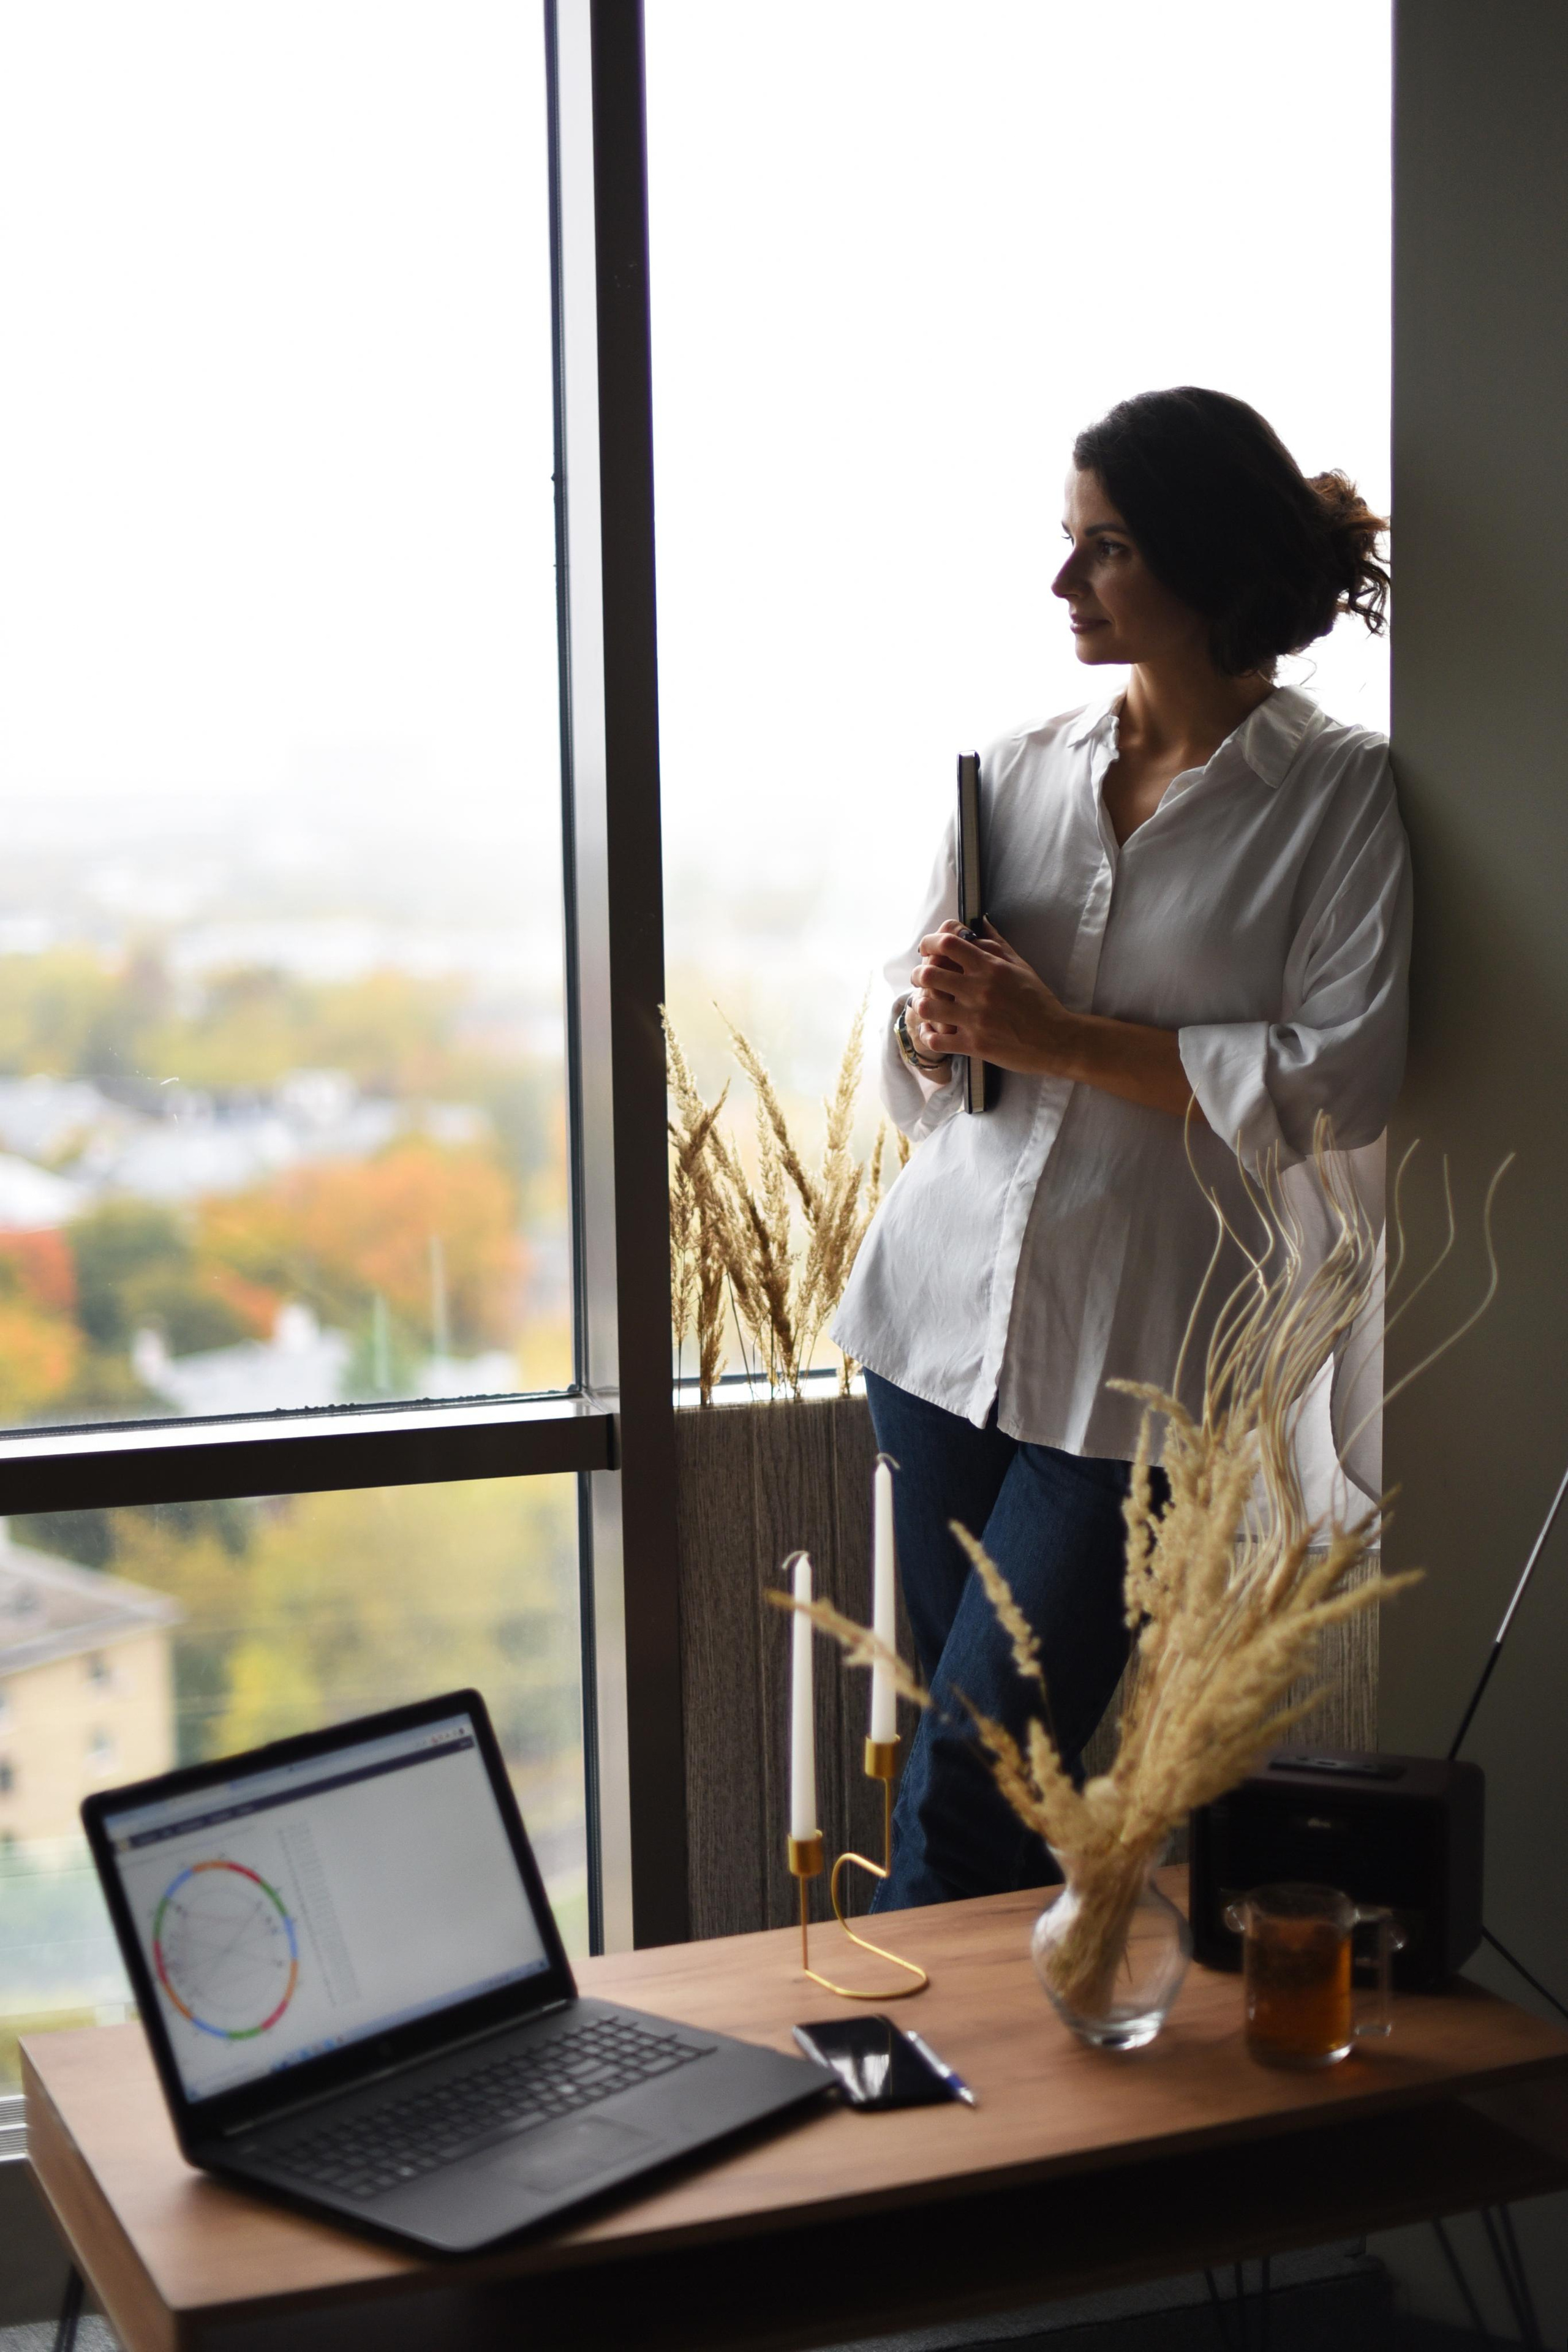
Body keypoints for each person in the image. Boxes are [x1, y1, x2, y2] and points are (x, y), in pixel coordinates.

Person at [832, 385, 1410, 1912]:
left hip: (1141, 1372)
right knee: (990, 1782)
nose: (1062, 584)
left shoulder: (1335, 796)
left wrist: (1061, 1040)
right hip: (934, 1326)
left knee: (973, 1771)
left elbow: (1340, 1077)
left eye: (1104, 549)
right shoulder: (1012, 768)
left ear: (1207, 565)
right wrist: (938, 1024)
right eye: (1065, 543)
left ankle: (899, 2123)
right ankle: (1022, 2118)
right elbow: (909, 1019)